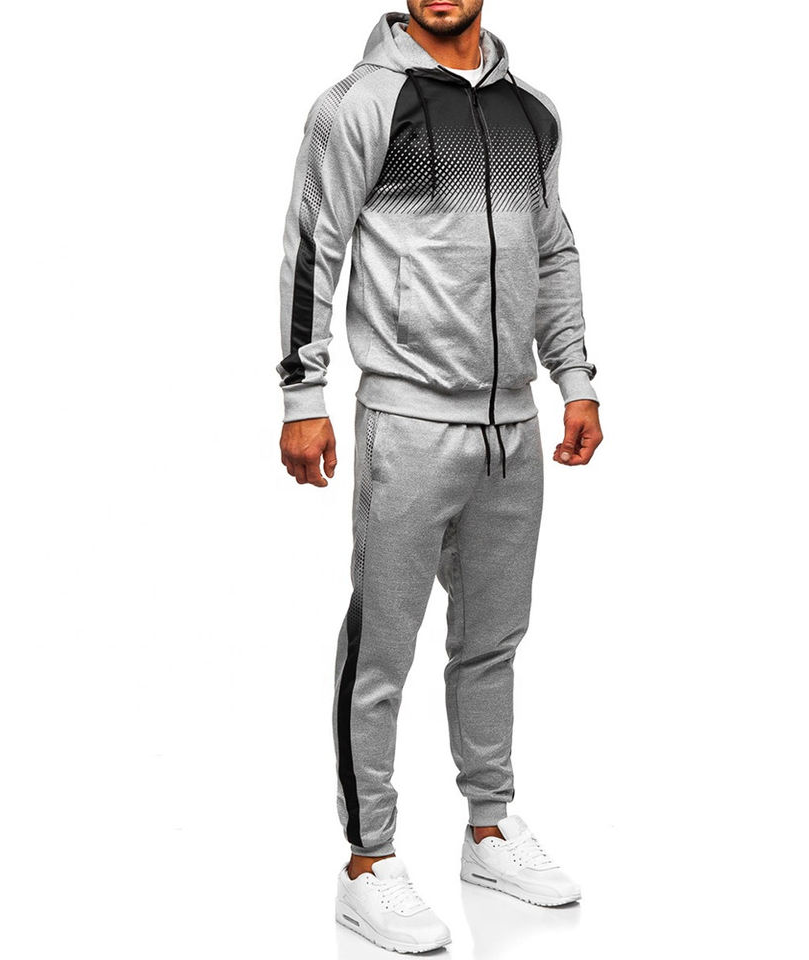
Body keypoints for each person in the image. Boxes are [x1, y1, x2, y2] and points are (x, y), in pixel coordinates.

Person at [277, 2, 603, 951]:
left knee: (493, 642)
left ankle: (489, 830)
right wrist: (302, 394)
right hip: (409, 421)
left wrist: (575, 378)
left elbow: (553, 248)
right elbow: (314, 242)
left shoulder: (531, 111)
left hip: (513, 427)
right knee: (382, 650)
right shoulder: (359, 105)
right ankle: (367, 864)